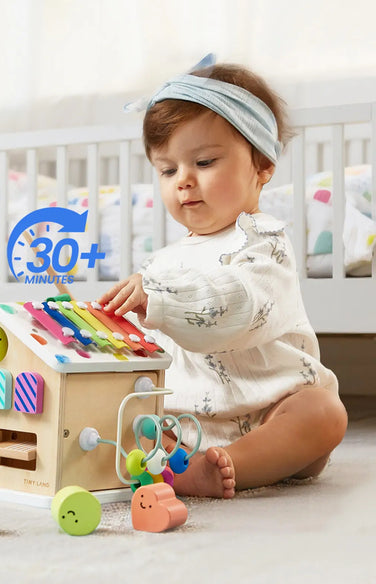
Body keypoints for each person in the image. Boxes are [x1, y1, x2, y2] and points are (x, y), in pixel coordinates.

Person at [98, 58, 348, 498]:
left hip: (273, 410)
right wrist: (108, 325)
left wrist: (160, 300)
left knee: (324, 412)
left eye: (205, 161)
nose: (184, 182)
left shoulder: (265, 243)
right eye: (168, 169)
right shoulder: (160, 264)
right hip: (186, 422)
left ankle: (238, 464)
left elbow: (240, 308)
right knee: (117, 419)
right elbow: (145, 351)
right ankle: (190, 467)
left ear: (262, 166)